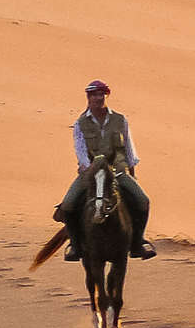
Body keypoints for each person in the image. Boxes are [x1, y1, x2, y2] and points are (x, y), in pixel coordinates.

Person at [53, 80, 156, 261]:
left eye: (101, 94)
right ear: (89, 97)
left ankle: (137, 243)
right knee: (68, 204)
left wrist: (131, 172)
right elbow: (81, 151)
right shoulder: (80, 123)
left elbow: (129, 147)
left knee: (143, 201)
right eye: (94, 95)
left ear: (105, 96)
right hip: (90, 174)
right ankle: (76, 246)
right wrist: (89, 169)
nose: (98, 98)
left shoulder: (119, 119)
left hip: (117, 172)